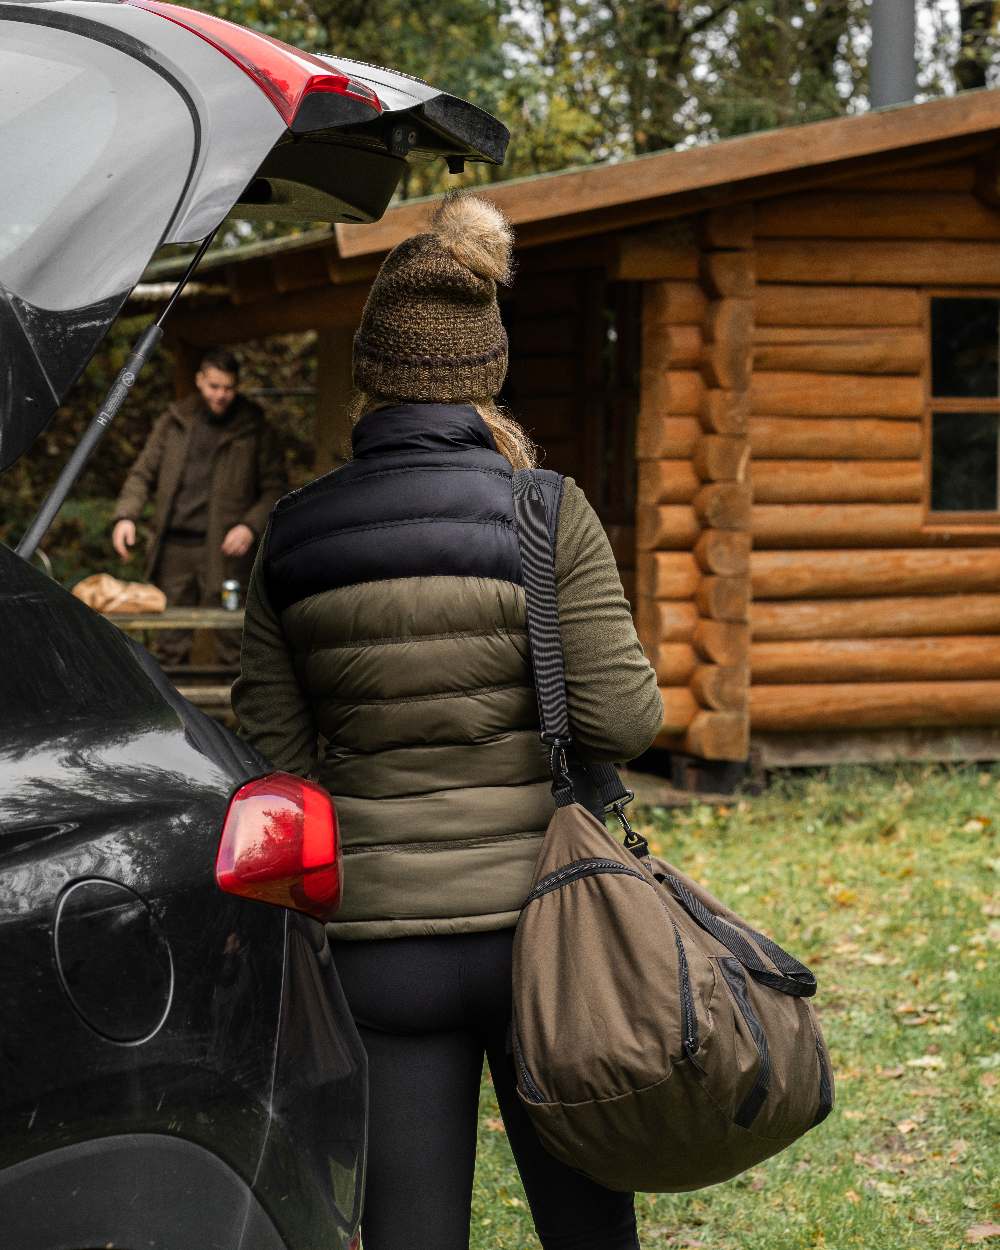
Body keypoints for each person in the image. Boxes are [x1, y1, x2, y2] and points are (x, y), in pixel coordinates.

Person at [232, 194, 663, 1250]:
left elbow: (275, 760)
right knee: (586, 1227)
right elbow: (626, 716)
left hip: (378, 949)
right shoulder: (544, 510)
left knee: (409, 1232)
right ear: (486, 372)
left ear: (372, 371)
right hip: (547, 930)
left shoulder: (293, 531)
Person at [111, 348, 285, 666]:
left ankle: (231, 716)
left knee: (234, 641)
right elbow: (142, 473)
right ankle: (171, 713)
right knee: (169, 642)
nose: (221, 395)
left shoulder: (253, 426)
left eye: (229, 388)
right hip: (175, 549)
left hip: (225, 551)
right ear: (199, 381)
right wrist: (126, 516)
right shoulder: (174, 420)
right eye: (214, 386)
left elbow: (275, 487)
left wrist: (250, 525)